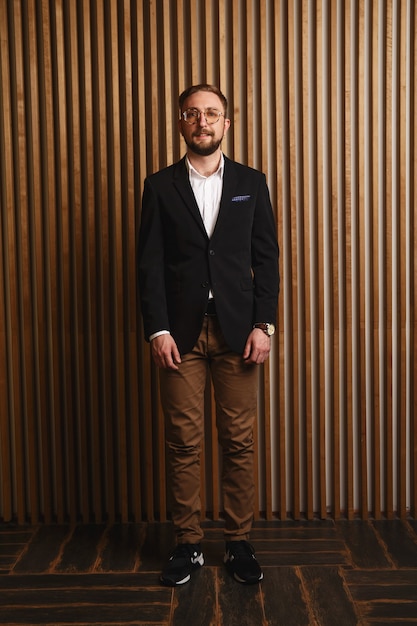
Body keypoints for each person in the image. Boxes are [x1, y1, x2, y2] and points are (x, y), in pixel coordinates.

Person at [137, 84, 279, 586]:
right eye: (193, 114)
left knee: (239, 441)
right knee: (183, 443)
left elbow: (267, 258)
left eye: (212, 114)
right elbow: (149, 265)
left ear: (227, 123)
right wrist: (156, 329)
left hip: (240, 333)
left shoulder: (251, 182)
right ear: (180, 123)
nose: (203, 122)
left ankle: (238, 542)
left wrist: (265, 325)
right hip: (180, 335)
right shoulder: (159, 186)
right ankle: (188, 544)